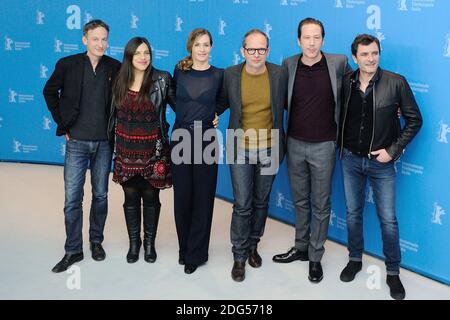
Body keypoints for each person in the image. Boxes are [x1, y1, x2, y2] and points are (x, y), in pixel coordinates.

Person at [338, 34, 422, 300]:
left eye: (375, 53)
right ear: (354, 58)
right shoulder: (346, 83)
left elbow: (414, 120)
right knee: (353, 213)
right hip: (350, 159)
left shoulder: (396, 83)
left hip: (381, 163)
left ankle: (393, 272)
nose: (371, 59)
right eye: (364, 54)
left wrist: (393, 152)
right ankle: (354, 259)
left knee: (388, 219)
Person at [272, 18, 351, 283]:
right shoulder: (288, 65)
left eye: (316, 37)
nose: (312, 42)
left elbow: (359, 90)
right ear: (298, 40)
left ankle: (315, 257)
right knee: (301, 201)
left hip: (325, 145)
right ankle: (302, 247)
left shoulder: (338, 63)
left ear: (323, 40)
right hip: (294, 144)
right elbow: (278, 101)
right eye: (307, 37)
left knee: (321, 204)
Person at [43, 19, 121, 273]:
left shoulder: (115, 67)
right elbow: (49, 91)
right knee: (72, 199)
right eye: (95, 38)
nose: (100, 44)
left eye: (104, 39)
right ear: (85, 40)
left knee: (100, 195)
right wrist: (63, 124)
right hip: (76, 141)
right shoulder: (68, 65)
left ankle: (96, 242)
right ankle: (73, 250)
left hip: (104, 144)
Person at [216, 29, 288, 282]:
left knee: (261, 201)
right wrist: (209, 113)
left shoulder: (279, 74)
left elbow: (296, 103)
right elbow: (221, 101)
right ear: (243, 51)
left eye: (261, 49)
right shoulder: (231, 74)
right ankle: (239, 256)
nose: (256, 54)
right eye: (251, 49)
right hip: (240, 148)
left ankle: (253, 245)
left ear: (267, 51)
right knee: (242, 203)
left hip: (270, 149)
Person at [110, 37, 175, 264]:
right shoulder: (118, 79)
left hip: (153, 151)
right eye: (137, 53)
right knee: (130, 197)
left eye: (146, 52)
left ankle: (149, 244)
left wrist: (210, 116)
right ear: (129, 56)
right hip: (126, 150)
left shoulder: (162, 79)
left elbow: (183, 107)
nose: (143, 57)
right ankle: (134, 244)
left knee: (150, 196)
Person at [171, 28, 222, 274]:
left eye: (206, 45)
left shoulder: (219, 75)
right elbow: (173, 98)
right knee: (183, 197)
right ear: (190, 46)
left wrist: (215, 116)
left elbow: (224, 100)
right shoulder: (179, 72)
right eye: (198, 44)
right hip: (180, 136)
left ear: (211, 47)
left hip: (206, 139)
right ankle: (184, 249)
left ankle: (197, 253)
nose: (202, 49)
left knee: (203, 197)